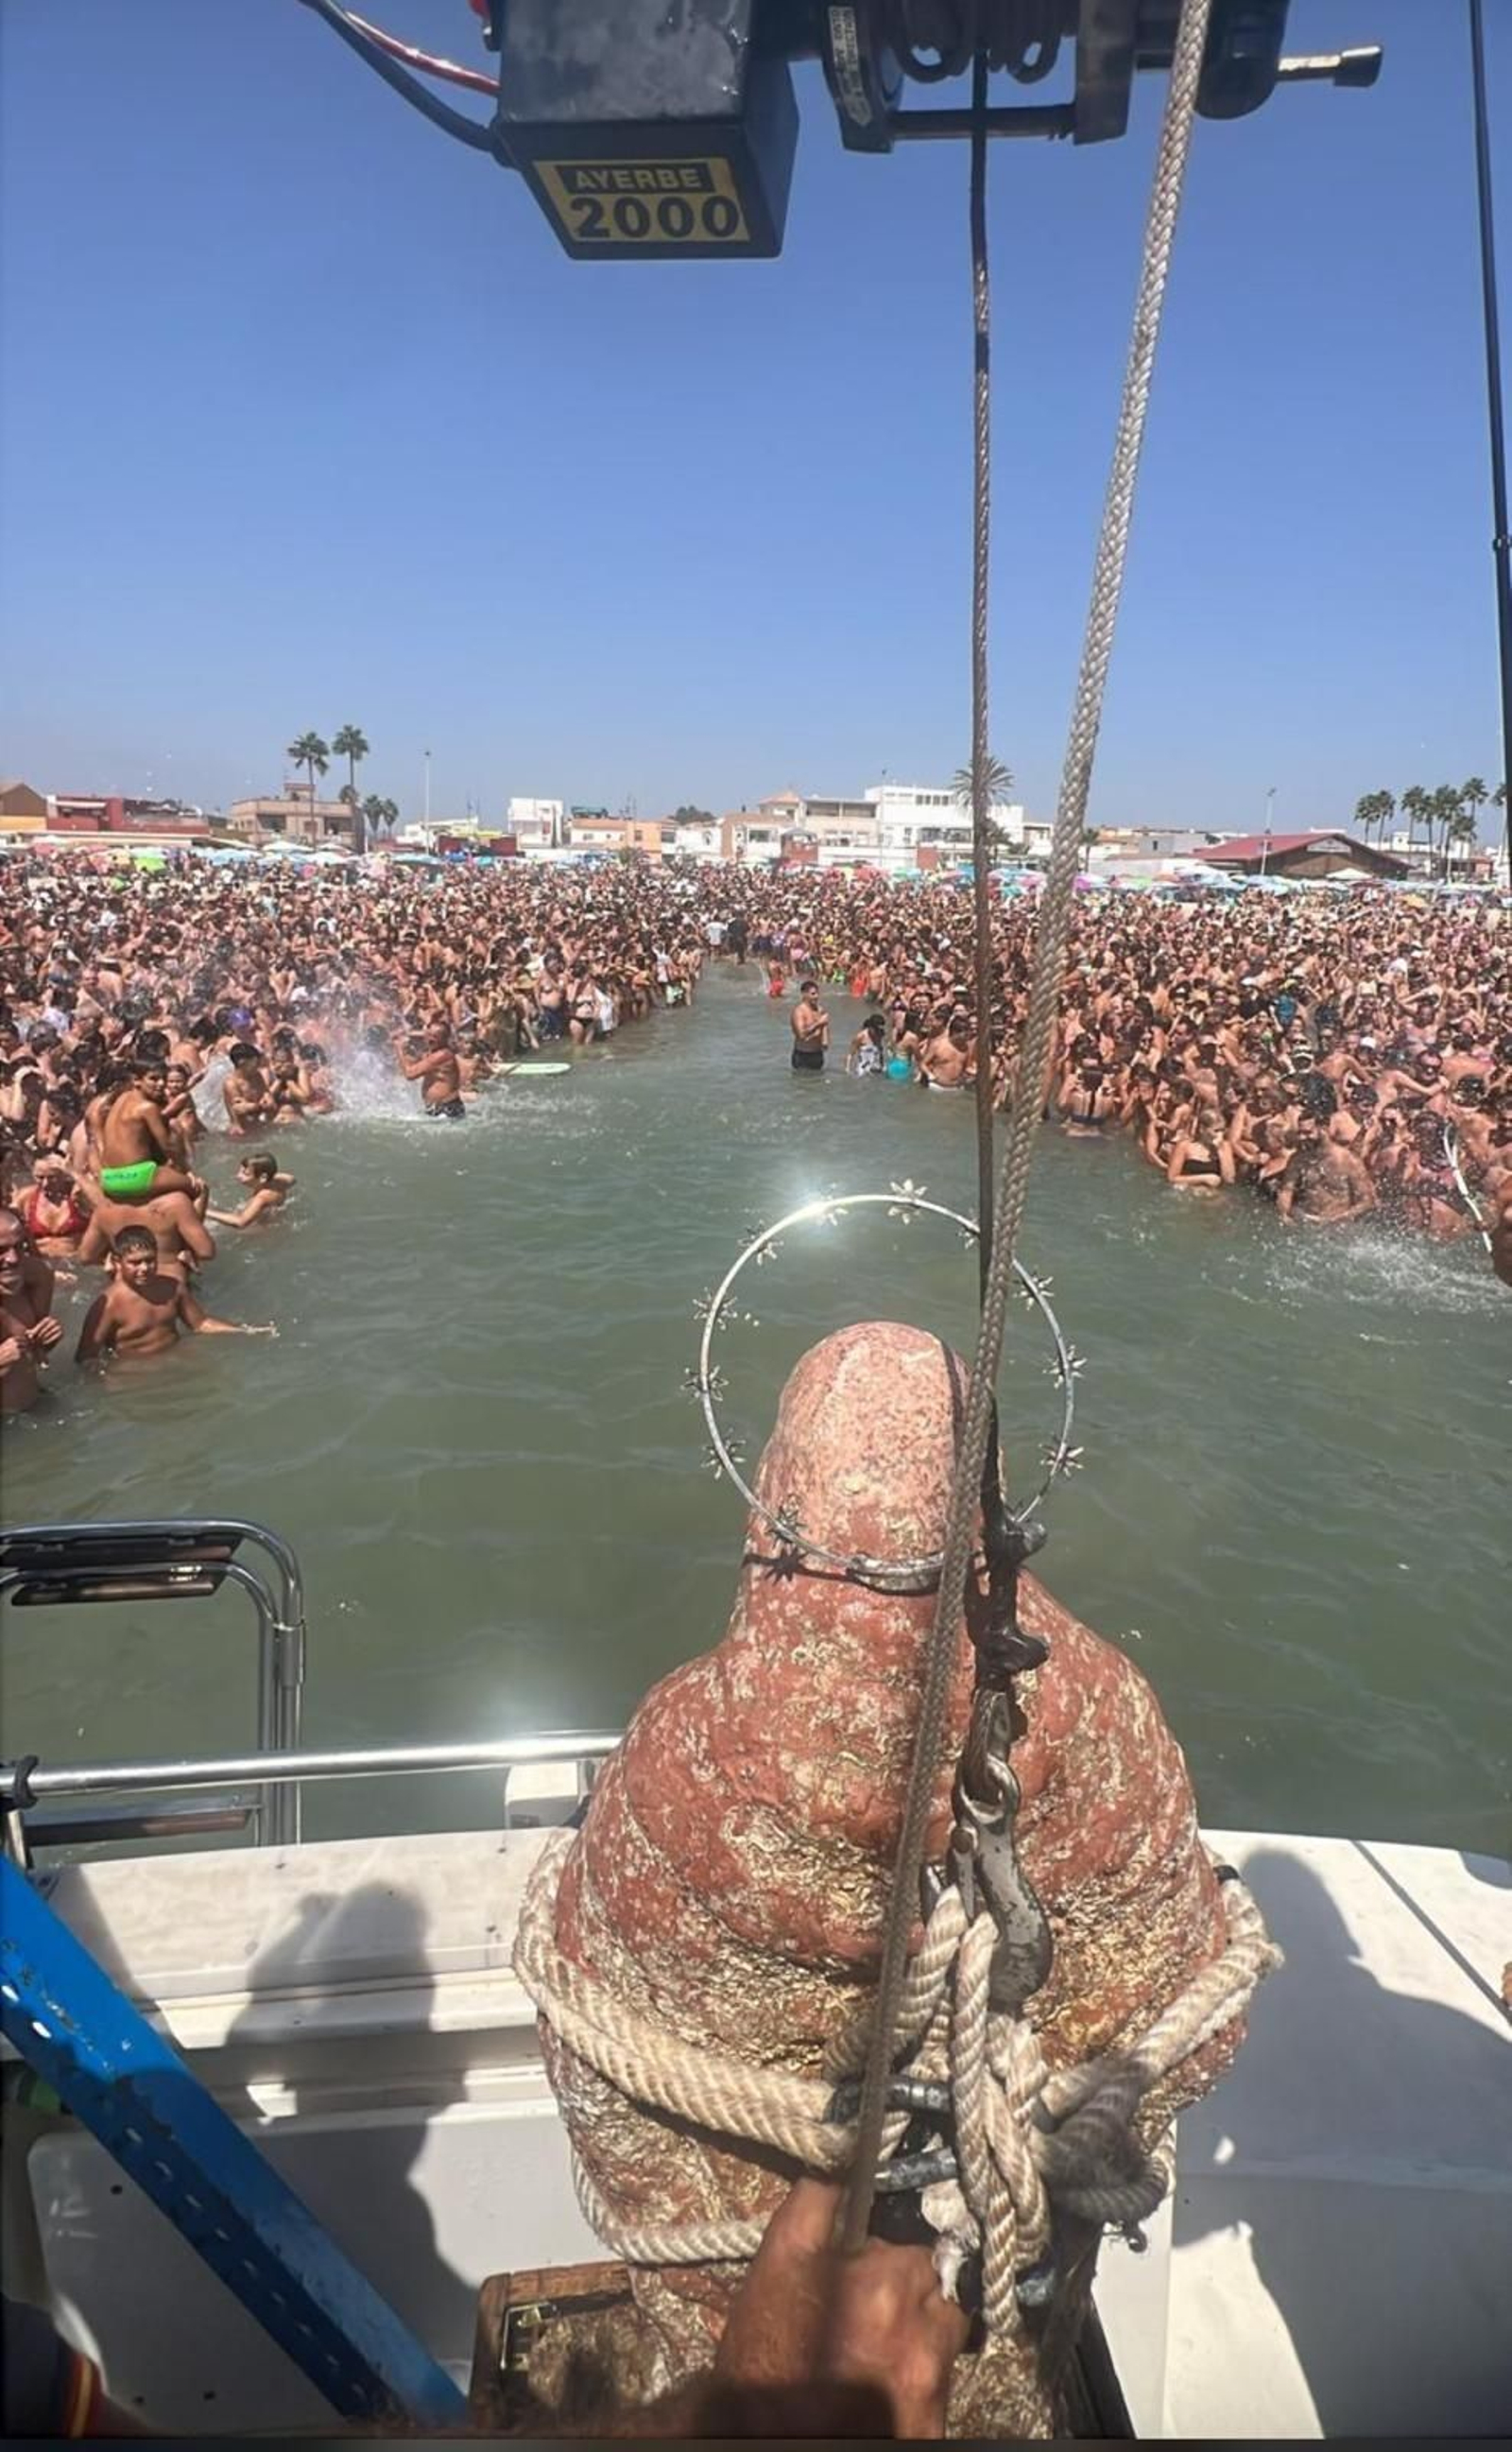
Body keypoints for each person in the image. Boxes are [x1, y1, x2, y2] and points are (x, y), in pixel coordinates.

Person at [75, 1225, 276, 1362]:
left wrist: (245, 1332)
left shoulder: (172, 1287)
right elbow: (87, 1359)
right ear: (118, 1262)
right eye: (135, 1262)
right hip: (134, 1375)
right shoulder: (108, 1305)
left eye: (149, 1260)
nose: (144, 1268)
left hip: (176, 1361)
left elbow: (201, 1324)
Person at [96, 1055, 199, 1202]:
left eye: (164, 1078)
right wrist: (188, 1172)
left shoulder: (122, 1098)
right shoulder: (148, 1108)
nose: (161, 1084)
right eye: (153, 1079)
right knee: (199, 1189)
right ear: (136, 1080)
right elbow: (168, 1147)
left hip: (108, 1179)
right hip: (138, 1177)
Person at [0, 1206, 64, 1414]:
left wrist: (45, 1341)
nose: (13, 1259)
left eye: (19, 1247)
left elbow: (36, 1354)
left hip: (33, 1407)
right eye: (1, 1250)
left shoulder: (36, 1276)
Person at [392, 1018, 466, 1117]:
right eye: (428, 1035)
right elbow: (413, 1065)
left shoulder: (443, 1055)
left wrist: (399, 1049)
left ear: (444, 1039)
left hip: (447, 1109)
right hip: (437, 1109)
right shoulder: (432, 1053)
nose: (430, 1039)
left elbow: (410, 1074)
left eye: (435, 1037)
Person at [207, 1150, 294, 1231]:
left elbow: (241, 1223)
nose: (238, 1176)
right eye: (240, 1171)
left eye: (245, 1174)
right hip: (268, 1218)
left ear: (263, 1177)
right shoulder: (277, 1183)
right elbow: (292, 1179)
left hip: (260, 1231)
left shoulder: (262, 1197)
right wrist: (269, 1176)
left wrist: (206, 1212)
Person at [790, 981, 829, 1073]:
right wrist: (818, 1023)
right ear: (804, 994)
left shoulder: (820, 1009)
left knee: (817, 1084)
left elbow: (824, 1026)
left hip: (818, 1054)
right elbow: (801, 1034)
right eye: (813, 994)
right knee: (803, 1085)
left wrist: (825, 1040)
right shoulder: (799, 1012)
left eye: (817, 993)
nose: (816, 996)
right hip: (803, 1056)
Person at [847, 1013, 887, 1078]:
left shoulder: (881, 1034)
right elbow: (850, 1054)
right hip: (863, 1070)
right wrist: (848, 1070)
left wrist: (883, 1065)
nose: (878, 1032)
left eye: (880, 1030)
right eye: (876, 1030)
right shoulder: (860, 1036)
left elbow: (883, 1050)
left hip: (877, 1067)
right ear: (870, 1027)